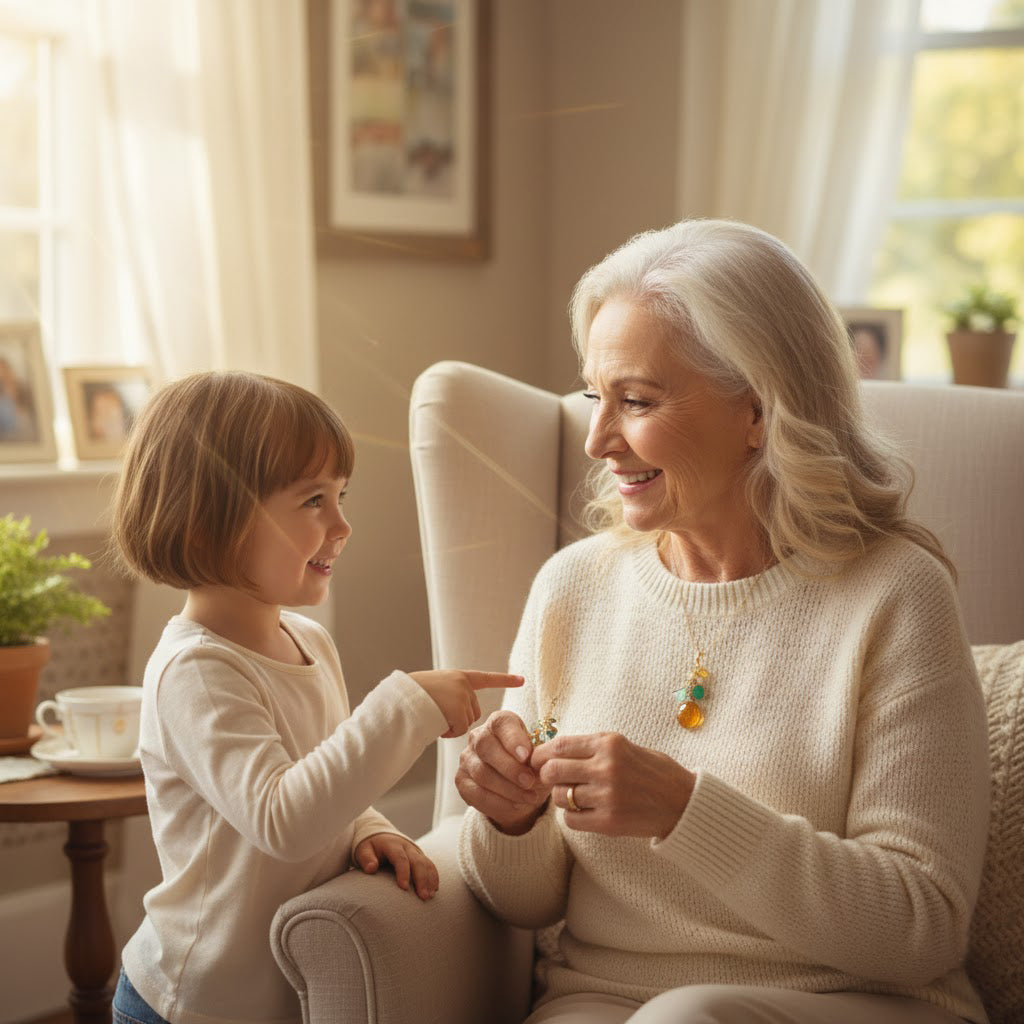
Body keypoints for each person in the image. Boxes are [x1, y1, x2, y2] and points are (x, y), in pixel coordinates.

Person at [454, 220, 989, 1024]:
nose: (597, 438)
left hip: (855, 1001)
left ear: (759, 411)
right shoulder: (573, 589)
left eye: (635, 400)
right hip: (605, 1001)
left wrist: (683, 810)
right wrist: (509, 812)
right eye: (596, 396)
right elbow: (522, 901)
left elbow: (919, 925)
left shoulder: (894, 596)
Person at [110, 370, 519, 1024]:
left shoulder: (308, 642)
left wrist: (368, 827)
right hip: (193, 1005)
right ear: (205, 525)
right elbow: (281, 818)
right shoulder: (195, 673)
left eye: (341, 495)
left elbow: (318, 779)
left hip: (277, 996)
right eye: (312, 502)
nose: (343, 524)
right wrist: (408, 705)